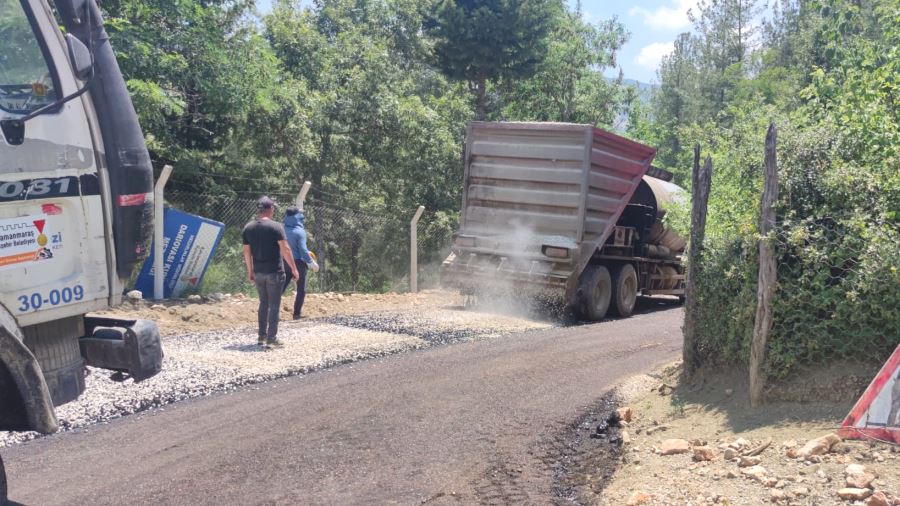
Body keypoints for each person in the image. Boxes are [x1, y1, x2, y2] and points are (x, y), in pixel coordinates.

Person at [242, 196, 299, 348]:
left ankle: (261, 336)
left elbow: (246, 252)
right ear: (271, 209)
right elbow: (285, 249)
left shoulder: (248, 228)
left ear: (258, 210)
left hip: (258, 272)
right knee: (274, 305)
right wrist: (293, 268)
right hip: (274, 271)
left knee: (263, 303)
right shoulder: (276, 227)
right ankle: (271, 338)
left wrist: (250, 270)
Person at [282, 206, 319, 320]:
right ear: (297, 217)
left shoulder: (282, 230)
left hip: (284, 261)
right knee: (301, 289)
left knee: (281, 288)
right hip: (299, 263)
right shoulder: (300, 232)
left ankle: (271, 312)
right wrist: (311, 262)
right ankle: (297, 314)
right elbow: (302, 250)